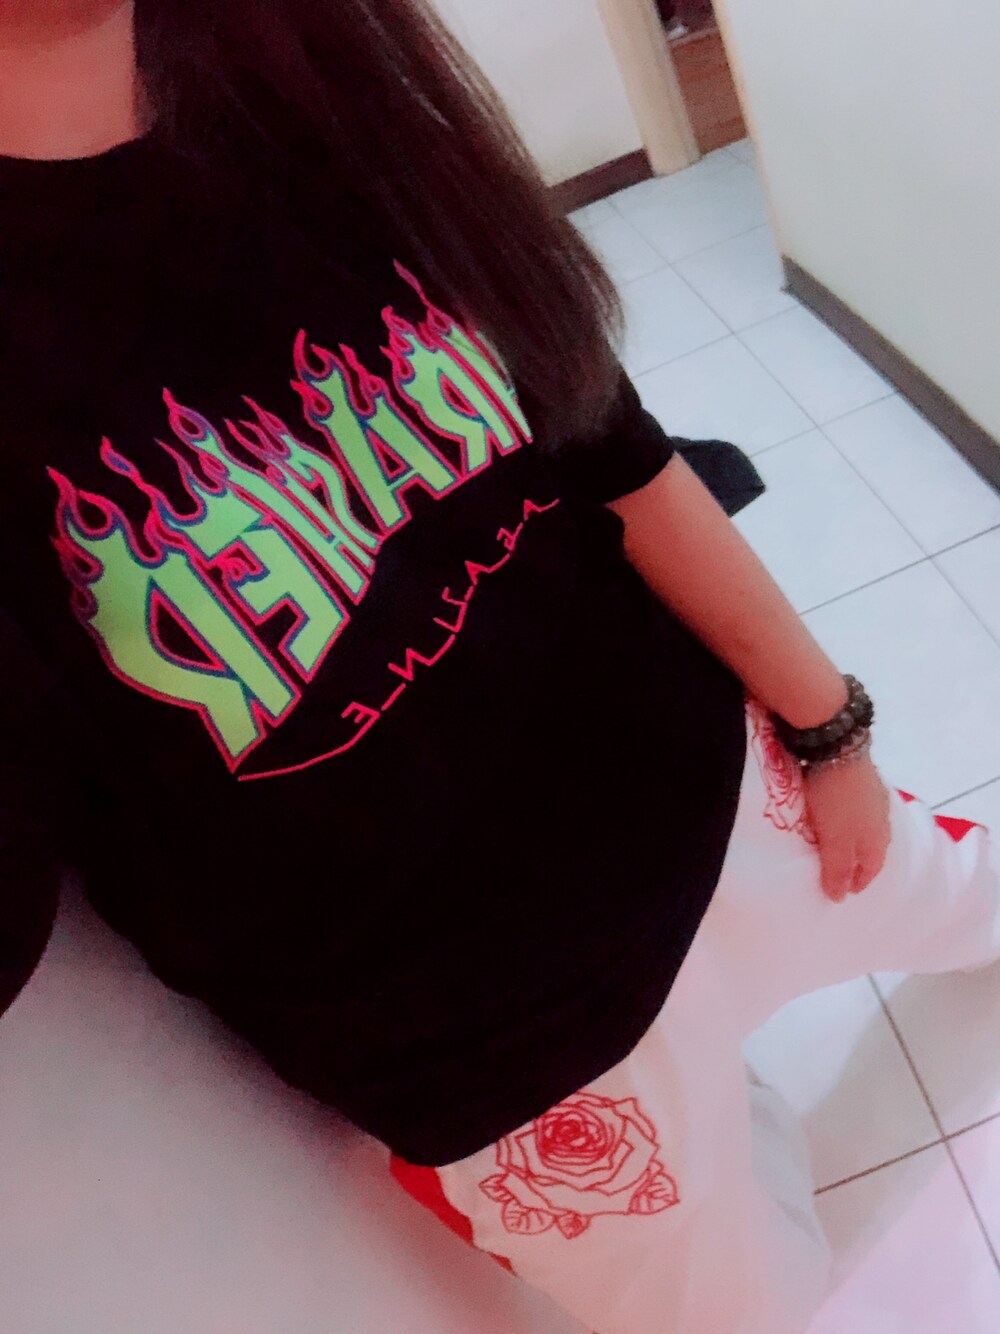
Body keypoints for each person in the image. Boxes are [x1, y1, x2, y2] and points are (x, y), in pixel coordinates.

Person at [0, 3, 996, 1331]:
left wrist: (829, 729)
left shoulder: (308, 79)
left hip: (733, 798)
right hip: (513, 1064)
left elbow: (614, 452)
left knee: (978, 901)